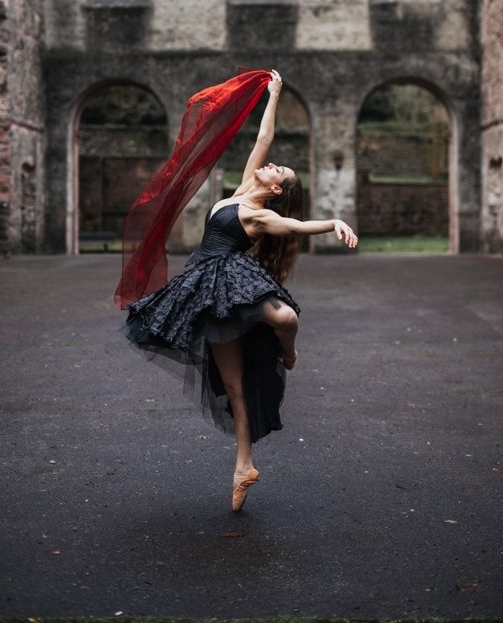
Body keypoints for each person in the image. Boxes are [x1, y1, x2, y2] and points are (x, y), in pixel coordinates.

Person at [121, 69, 358, 511]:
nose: (269, 164)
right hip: (205, 287)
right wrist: (274, 95)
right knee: (233, 386)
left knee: (286, 317)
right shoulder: (243, 188)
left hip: (231, 279)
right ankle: (243, 466)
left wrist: (334, 223)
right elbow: (262, 139)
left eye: (277, 171)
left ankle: (287, 351)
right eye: (272, 164)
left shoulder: (260, 214)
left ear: (275, 189)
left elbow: (296, 225)